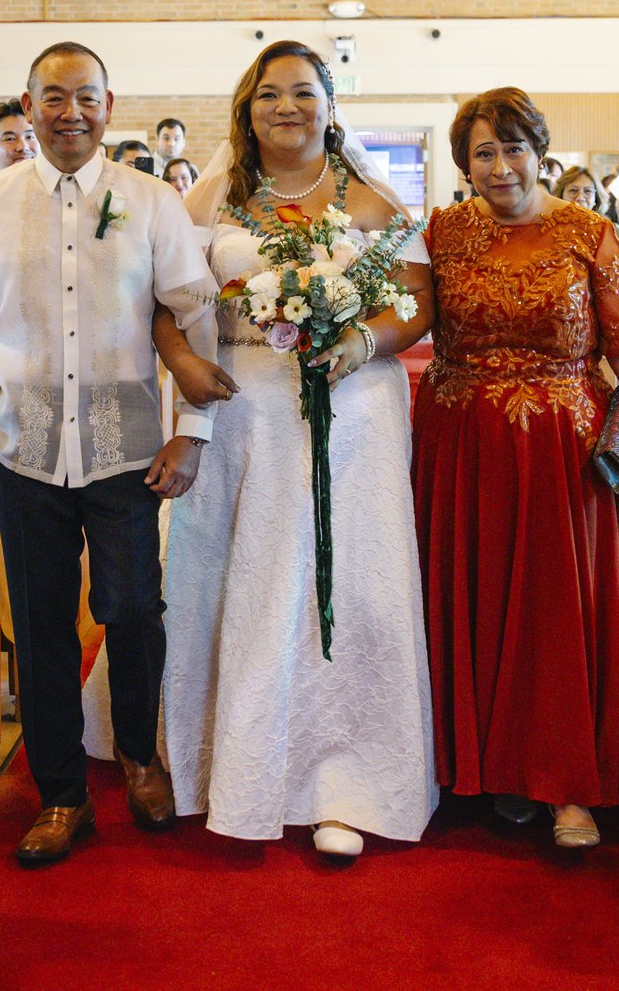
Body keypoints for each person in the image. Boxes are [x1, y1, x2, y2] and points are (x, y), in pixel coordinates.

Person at [160, 43, 436, 860]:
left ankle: (345, 776)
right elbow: (166, 304)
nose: (288, 106)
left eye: (304, 92)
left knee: (348, 577)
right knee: (254, 573)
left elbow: (420, 306)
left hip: (354, 410)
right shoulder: (211, 196)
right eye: (270, 94)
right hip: (245, 403)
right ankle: (234, 764)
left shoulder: (374, 197)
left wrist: (363, 341)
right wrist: (183, 366)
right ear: (247, 109)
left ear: (329, 102)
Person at [0, 42, 222, 865]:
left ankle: (140, 757)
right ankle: (62, 791)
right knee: (38, 625)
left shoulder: (149, 201)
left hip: (125, 441)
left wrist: (194, 429)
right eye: (53, 97)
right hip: (22, 444)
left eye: (87, 97)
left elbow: (194, 313)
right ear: (26, 107)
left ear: (110, 105)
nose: (71, 112)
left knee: (133, 607)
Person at [415, 87, 619, 850]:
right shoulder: (440, 232)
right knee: (477, 599)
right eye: (483, 153)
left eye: (514, 148)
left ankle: (567, 784)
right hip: (461, 445)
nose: (501, 167)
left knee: (560, 610)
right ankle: (485, 769)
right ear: (464, 164)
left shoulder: (589, 232)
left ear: (541, 149)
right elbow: (408, 318)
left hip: (564, 446)